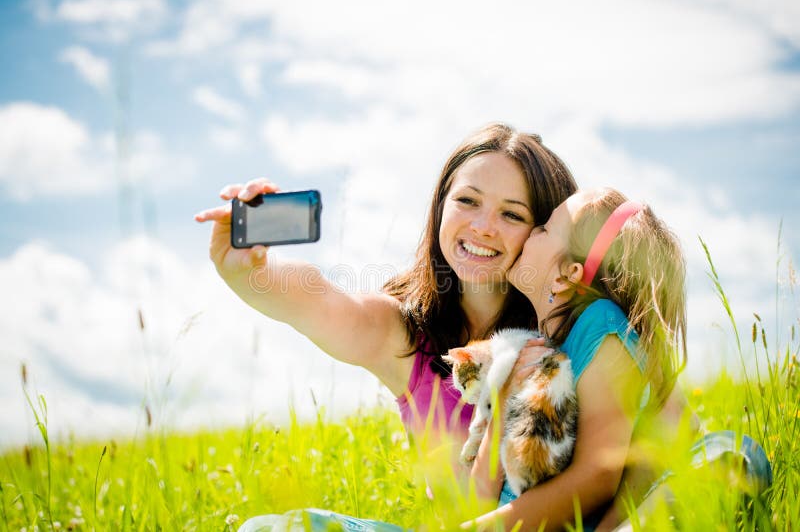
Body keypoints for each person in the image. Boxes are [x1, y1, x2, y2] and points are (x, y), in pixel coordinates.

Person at [194, 123, 579, 529]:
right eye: (468, 200)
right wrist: (249, 273)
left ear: (545, 234)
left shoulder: (566, 331)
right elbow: (323, 303)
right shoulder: (407, 333)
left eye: (511, 213)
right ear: (440, 207)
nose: (483, 226)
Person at [465, 188, 771, 531]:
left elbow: (598, 475)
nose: (533, 230)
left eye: (546, 229)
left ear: (568, 274)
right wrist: (502, 401)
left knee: (734, 452)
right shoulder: (534, 348)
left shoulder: (601, 325)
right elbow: (475, 499)